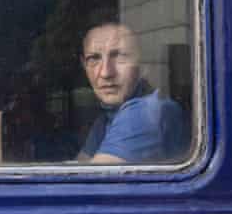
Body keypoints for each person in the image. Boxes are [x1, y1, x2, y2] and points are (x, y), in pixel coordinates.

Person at [77, 18, 188, 164]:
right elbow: (79, 166)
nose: (105, 73)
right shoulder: (106, 118)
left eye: (120, 56)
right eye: (94, 58)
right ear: (84, 65)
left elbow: (89, 183)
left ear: (143, 65)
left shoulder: (146, 112)